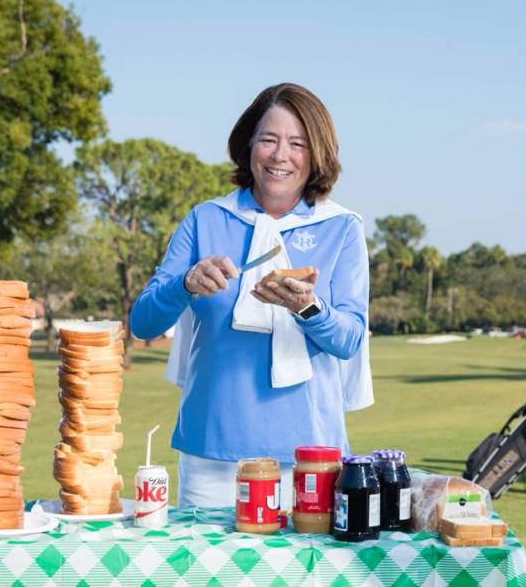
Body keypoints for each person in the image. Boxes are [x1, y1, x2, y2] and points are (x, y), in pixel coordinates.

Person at [131, 83, 371, 508]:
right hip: (211, 454)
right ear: (248, 146)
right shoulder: (205, 219)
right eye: (269, 139)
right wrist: (185, 283)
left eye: (298, 143)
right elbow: (143, 322)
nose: (281, 155)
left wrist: (307, 306)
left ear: (317, 154)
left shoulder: (343, 228)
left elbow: (349, 340)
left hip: (309, 460)